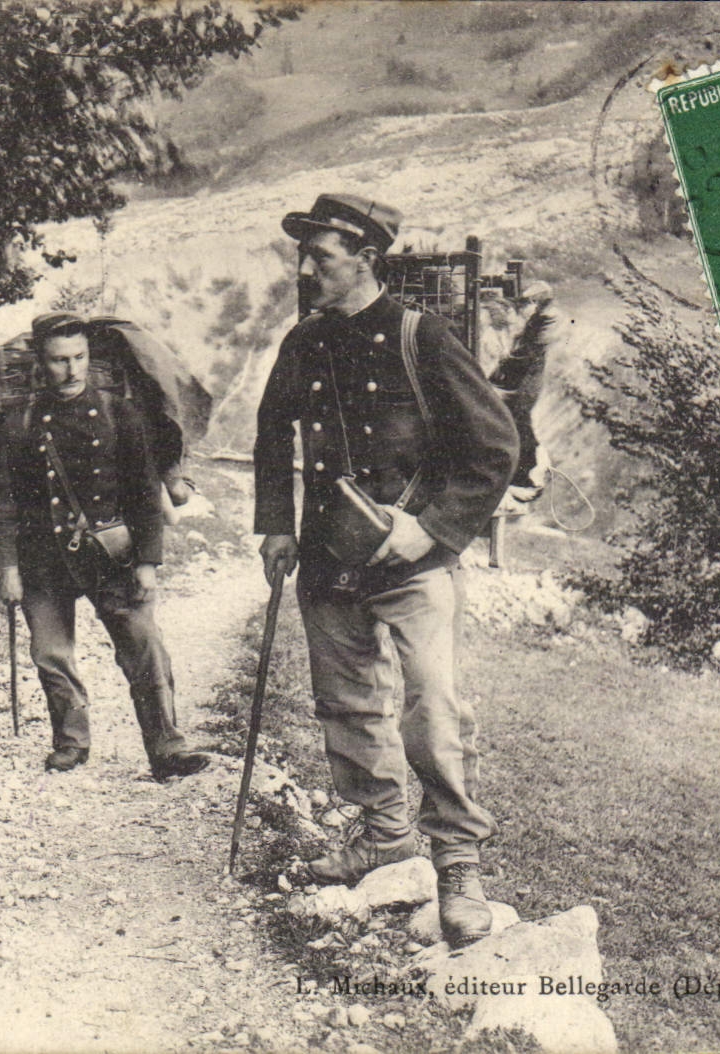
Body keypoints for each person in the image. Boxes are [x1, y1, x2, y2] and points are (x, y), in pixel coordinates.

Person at [254, 194, 518, 947]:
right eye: (304, 256)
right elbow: (273, 436)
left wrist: (429, 530)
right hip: (328, 558)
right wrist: (275, 524)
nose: (307, 269)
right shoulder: (302, 343)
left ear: (366, 256)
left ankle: (459, 860)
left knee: (432, 704)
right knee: (346, 704)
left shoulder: (421, 338)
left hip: (413, 563)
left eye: (323, 256)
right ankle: (382, 834)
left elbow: (495, 447)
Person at [0, 312, 213, 781]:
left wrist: (148, 562)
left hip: (111, 553)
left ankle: (167, 745)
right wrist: (6, 566)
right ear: (39, 364)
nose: (70, 370)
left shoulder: (118, 412)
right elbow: (6, 499)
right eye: (58, 361)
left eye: (79, 358)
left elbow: (143, 494)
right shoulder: (20, 422)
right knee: (51, 653)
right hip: (42, 556)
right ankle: (70, 743)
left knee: (144, 644)